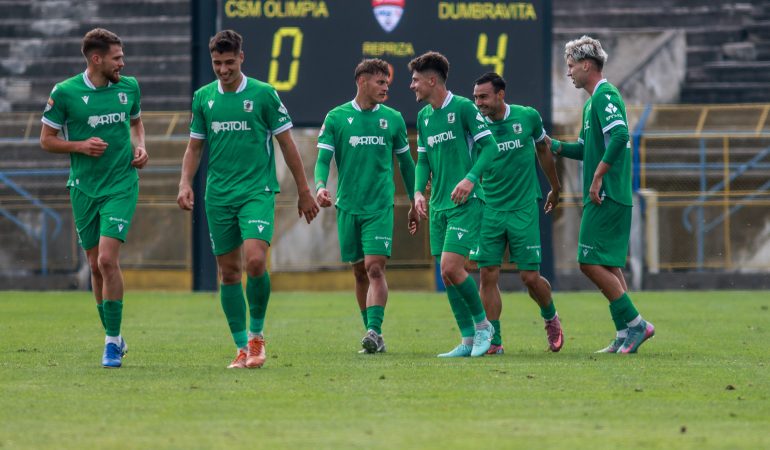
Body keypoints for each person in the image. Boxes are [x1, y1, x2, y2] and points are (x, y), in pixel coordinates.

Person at [177, 30, 319, 368]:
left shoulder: (264, 94)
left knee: (255, 261)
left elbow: (287, 145)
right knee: (228, 272)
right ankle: (241, 347)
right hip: (218, 195)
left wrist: (304, 191)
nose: (223, 69)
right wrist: (184, 183)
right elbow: (194, 147)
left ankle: (256, 338)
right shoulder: (203, 98)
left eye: (229, 62)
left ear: (241, 57)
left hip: (256, 191)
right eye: (217, 63)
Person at [40, 28, 148, 368]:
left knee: (106, 260)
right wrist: (80, 146)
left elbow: (136, 123)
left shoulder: (128, 87)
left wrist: (141, 146)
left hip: (121, 184)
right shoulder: (65, 92)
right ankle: (114, 334)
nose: (122, 63)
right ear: (96, 59)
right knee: (94, 265)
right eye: (117, 58)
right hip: (84, 187)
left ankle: (111, 343)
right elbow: (46, 139)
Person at [548, 36, 654, 353]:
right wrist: (554, 145)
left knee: (588, 262)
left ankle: (637, 325)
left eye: (571, 66)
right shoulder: (591, 103)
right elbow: (585, 149)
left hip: (606, 193)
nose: (568, 72)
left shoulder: (606, 94)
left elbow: (620, 135)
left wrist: (597, 177)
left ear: (586, 65)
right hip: (608, 193)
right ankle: (624, 332)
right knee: (608, 264)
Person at [315, 59, 419, 354]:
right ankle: (373, 335)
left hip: (379, 206)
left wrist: (415, 199)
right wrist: (320, 186)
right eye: (380, 82)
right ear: (362, 81)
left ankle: (374, 330)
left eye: (387, 83)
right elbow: (323, 160)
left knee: (374, 267)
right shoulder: (336, 117)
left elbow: (406, 163)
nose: (386, 88)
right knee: (359, 272)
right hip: (348, 206)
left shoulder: (393, 119)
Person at [409, 51, 499, 357]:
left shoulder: (463, 108)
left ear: (432, 80)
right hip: (439, 205)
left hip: (467, 202)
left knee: (451, 266)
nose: (412, 85)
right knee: (446, 274)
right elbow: (423, 160)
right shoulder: (424, 117)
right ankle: (467, 340)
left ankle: (484, 327)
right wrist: (418, 193)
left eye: (416, 80)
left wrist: (471, 178)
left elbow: (490, 147)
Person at [471, 72, 564, 354]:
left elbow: (543, 150)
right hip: (489, 209)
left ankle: (551, 317)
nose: (478, 103)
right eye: (475, 97)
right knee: (487, 274)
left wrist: (555, 187)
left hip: (523, 207)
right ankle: (494, 340)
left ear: (500, 95)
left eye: (484, 97)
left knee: (529, 278)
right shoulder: (475, 125)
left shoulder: (528, 117)